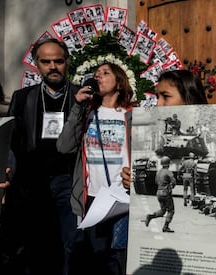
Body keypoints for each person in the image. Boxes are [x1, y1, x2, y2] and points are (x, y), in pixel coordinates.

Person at [0, 38, 79, 275]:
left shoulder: (79, 96)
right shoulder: (22, 98)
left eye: (58, 61)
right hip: (31, 183)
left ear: (67, 62)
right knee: (35, 244)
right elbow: (9, 142)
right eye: (46, 61)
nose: (53, 66)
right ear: (37, 65)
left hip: (68, 180)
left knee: (69, 244)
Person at [57, 62, 133, 275]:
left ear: (119, 82)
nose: (98, 76)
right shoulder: (86, 113)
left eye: (105, 73)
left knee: (118, 257)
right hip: (92, 198)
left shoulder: (131, 115)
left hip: (123, 198)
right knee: (97, 258)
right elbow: (63, 146)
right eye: (95, 73)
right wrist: (77, 106)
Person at [120, 69, 208, 187]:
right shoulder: (167, 132)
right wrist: (131, 180)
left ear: (188, 97)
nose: (158, 104)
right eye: (157, 97)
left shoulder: (193, 125)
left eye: (165, 96)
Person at [144, 156, 176, 233]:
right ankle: (166, 227)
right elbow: (174, 182)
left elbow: (156, 182)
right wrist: (170, 186)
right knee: (171, 210)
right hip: (166, 193)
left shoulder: (158, 172)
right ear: (168, 164)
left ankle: (150, 216)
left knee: (162, 210)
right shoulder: (168, 172)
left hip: (159, 192)